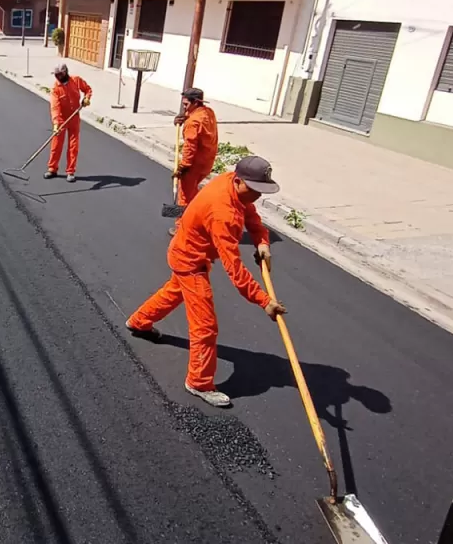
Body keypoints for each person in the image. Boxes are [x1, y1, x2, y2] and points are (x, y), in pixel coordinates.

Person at [125, 156, 286, 408]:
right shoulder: (224, 214)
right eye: (254, 190)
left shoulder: (230, 184)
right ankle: (199, 382)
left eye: (261, 190)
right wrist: (263, 300)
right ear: (239, 180)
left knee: (173, 292)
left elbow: (250, 212)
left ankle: (139, 322)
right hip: (190, 262)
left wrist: (262, 240)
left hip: (183, 250)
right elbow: (234, 269)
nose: (257, 196)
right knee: (205, 326)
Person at [170, 88, 220, 234]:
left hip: (194, 165)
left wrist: (182, 168)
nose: (184, 107)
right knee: (192, 193)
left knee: (184, 195)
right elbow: (197, 120)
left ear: (195, 102)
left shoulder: (193, 123)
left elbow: (189, 147)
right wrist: (184, 117)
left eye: (186, 105)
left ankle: (181, 228)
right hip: (207, 162)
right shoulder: (208, 113)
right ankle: (198, 219)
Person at [45, 63, 92, 183]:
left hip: (74, 117)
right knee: (56, 144)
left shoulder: (76, 80)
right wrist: (56, 124)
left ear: (65, 72)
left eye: (60, 74)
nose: (58, 77)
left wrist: (86, 98)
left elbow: (87, 89)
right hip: (61, 119)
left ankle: (70, 171)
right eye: (56, 75)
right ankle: (52, 168)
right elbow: (55, 107)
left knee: (73, 146)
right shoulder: (55, 88)